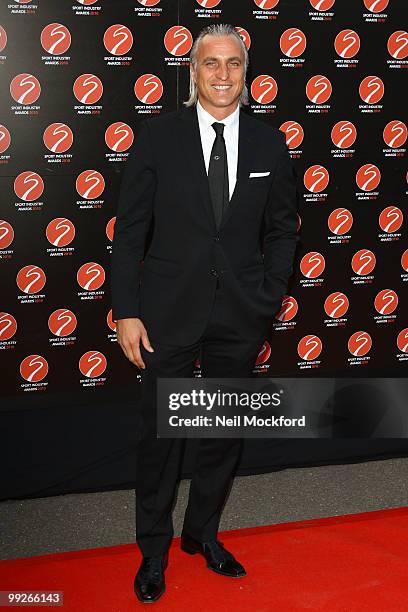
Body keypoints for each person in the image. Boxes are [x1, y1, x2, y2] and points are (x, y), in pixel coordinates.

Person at [110, 23, 299, 604]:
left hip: (240, 316)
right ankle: (153, 552)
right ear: (192, 72)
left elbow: (282, 231)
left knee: (221, 434)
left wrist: (266, 299)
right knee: (162, 439)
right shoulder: (157, 139)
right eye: (211, 63)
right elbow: (130, 235)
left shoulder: (271, 145)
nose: (223, 74)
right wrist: (127, 312)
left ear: (247, 73)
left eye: (233, 64)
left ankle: (202, 535)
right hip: (166, 313)